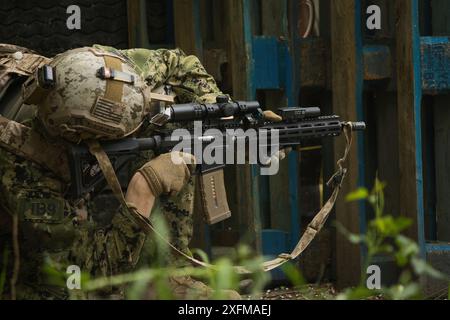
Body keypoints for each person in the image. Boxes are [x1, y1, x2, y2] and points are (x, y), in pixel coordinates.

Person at [0, 44, 284, 300]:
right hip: (20, 216)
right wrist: (144, 188)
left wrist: (220, 114)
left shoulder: (99, 72)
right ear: (80, 139)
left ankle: (166, 276)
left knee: (177, 129)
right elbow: (95, 271)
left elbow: (179, 64)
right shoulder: (25, 177)